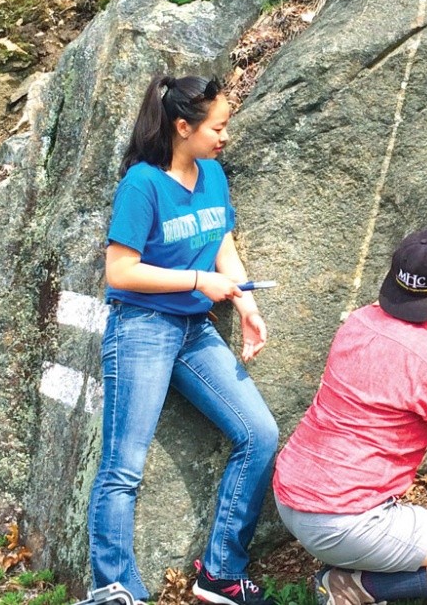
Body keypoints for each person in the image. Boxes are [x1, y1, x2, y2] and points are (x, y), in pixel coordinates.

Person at [89, 74, 279, 605]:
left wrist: (244, 301)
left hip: (195, 331)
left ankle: (219, 574)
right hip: (141, 329)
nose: (224, 136)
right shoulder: (142, 185)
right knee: (123, 468)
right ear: (182, 126)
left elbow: (220, 238)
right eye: (217, 126)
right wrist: (199, 282)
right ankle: (114, 587)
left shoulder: (213, 175)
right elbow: (121, 272)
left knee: (259, 434)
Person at [272, 230, 427, 605]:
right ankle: (353, 588)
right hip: (344, 522)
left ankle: (352, 570)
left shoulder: (356, 322)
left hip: (289, 497)